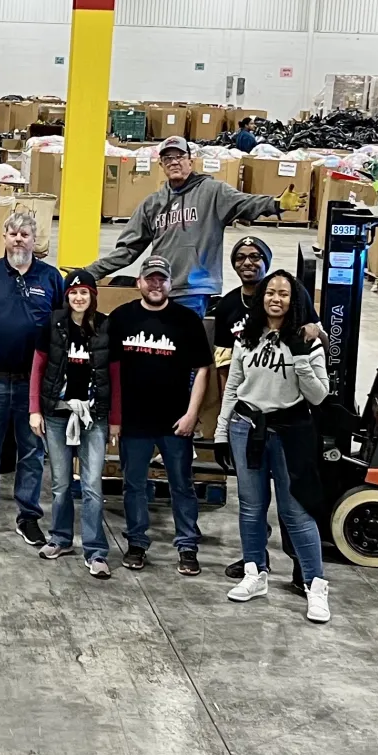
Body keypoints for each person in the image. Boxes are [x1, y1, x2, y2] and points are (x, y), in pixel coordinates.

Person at [216, 270, 332, 623]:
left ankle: (315, 586)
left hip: (290, 432)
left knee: (296, 512)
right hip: (246, 428)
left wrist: (299, 358)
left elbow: (318, 395)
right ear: (260, 298)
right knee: (250, 507)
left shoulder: (307, 340)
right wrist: (222, 431)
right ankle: (256, 573)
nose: (276, 299)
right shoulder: (246, 339)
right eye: (270, 293)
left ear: (293, 299)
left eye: (283, 293)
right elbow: (234, 385)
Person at [88, 136, 294, 315]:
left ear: (190, 161)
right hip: (160, 287)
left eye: (179, 157)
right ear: (161, 165)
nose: (174, 162)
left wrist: (275, 204)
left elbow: (245, 203)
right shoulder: (152, 203)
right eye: (168, 158)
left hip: (194, 290)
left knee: (184, 349)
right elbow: (127, 249)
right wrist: (91, 273)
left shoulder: (212, 192)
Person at [0, 211, 65, 544]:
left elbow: (62, 330)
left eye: (25, 234)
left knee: (32, 451)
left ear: (36, 241)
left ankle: (28, 516)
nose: (18, 238)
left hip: (32, 386)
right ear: (4, 237)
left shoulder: (51, 278)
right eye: (13, 233)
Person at [108, 255, 213, 576]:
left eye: (161, 279)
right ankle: (137, 543)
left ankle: (187, 547)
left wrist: (192, 413)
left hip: (175, 423)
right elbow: (109, 371)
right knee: (134, 485)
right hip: (134, 423)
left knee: (182, 486)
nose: (156, 284)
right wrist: (115, 416)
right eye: (150, 279)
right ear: (139, 282)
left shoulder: (186, 320)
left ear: (170, 283)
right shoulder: (121, 318)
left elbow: (203, 368)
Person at [28, 268, 112, 578]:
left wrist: (114, 420)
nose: (78, 297)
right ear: (67, 296)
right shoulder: (52, 324)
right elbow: (37, 368)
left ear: (92, 296)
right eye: (73, 292)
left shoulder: (105, 327)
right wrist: (34, 409)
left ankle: (96, 550)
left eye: (84, 292)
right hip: (57, 413)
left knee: (91, 485)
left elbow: (113, 374)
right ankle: (61, 538)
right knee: (61, 485)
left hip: (93, 416)